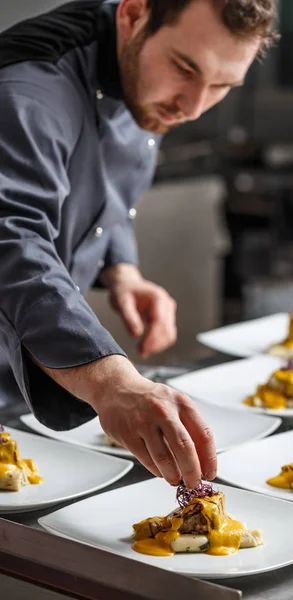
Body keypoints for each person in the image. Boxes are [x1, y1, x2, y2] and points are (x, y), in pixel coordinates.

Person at [0, 0, 277, 488]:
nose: (192, 106)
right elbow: (11, 231)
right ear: (133, 15)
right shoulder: (31, 90)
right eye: (185, 68)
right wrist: (113, 383)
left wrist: (121, 268)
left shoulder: (143, 74)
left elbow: (99, 176)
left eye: (221, 86)